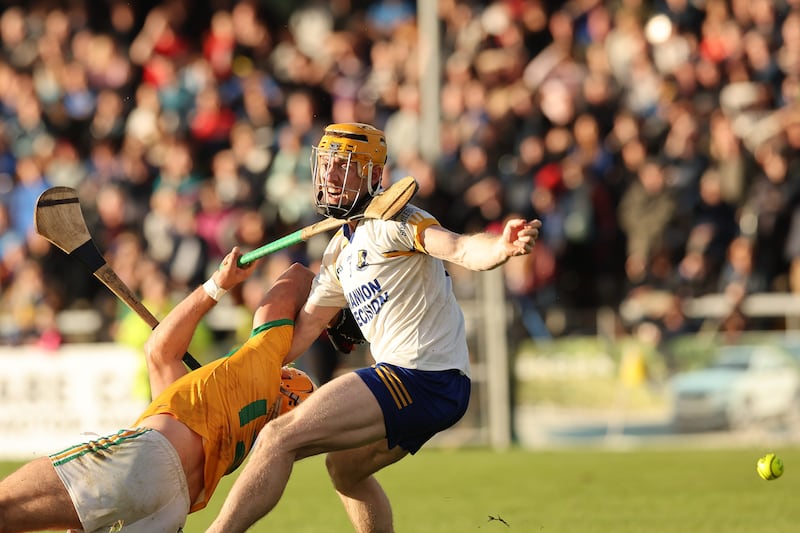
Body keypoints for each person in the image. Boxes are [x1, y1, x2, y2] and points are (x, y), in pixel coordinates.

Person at [208, 123, 542, 532]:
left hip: (420, 375)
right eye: (327, 164)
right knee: (345, 470)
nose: (330, 176)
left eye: (344, 167)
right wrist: (229, 375)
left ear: (372, 175)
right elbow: (303, 332)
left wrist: (501, 246)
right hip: (431, 385)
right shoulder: (339, 251)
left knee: (279, 437)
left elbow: (459, 248)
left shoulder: (396, 221)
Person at [0, 247, 319, 532]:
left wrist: (218, 284)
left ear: (286, 384)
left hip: (145, 458)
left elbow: (297, 276)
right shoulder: (242, 441)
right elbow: (162, 356)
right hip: (171, 509)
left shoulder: (260, 371)